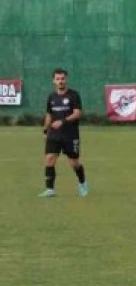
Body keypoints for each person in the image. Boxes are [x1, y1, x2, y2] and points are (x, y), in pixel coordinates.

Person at [40, 68, 87, 198]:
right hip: (54, 134)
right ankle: (50, 189)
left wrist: (62, 121)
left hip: (70, 134)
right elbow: (49, 114)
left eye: (62, 78)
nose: (60, 81)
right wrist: (45, 130)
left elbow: (78, 113)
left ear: (66, 80)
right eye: (58, 79)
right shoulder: (51, 97)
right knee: (49, 159)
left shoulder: (73, 95)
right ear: (53, 81)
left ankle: (82, 183)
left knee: (74, 163)